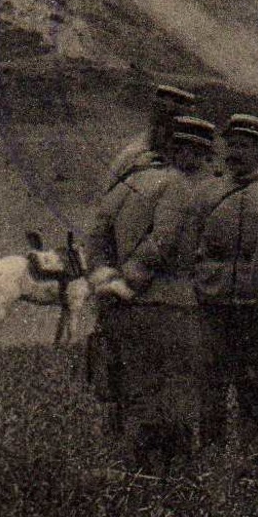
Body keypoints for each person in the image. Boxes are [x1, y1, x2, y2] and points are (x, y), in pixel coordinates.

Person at [87, 114, 214, 476]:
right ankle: (174, 481)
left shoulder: (123, 186)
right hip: (171, 306)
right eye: (201, 154)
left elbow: (95, 241)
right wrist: (132, 278)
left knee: (137, 392)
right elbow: (164, 240)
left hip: (126, 309)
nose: (205, 164)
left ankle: (139, 477)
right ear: (183, 152)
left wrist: (109, 282)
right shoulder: (178, 186)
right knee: (176, 393)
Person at [191, 114, 258, 452]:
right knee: (211, 382)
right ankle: (212, 452)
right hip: (212, 302)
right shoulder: (207, 194)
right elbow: (189, 244)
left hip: (252, 306)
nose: (236, 152)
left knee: (252, 382)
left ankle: (251, 454)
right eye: (232, 144)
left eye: (245, 145)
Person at [104, 83, 197, 190]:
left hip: (171, 162)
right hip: (152, 154)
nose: (169, 105)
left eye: (175, 102)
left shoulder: (185, 129)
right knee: (126, 159)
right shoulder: (158, 119)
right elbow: (151, 140)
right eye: (166, 101)